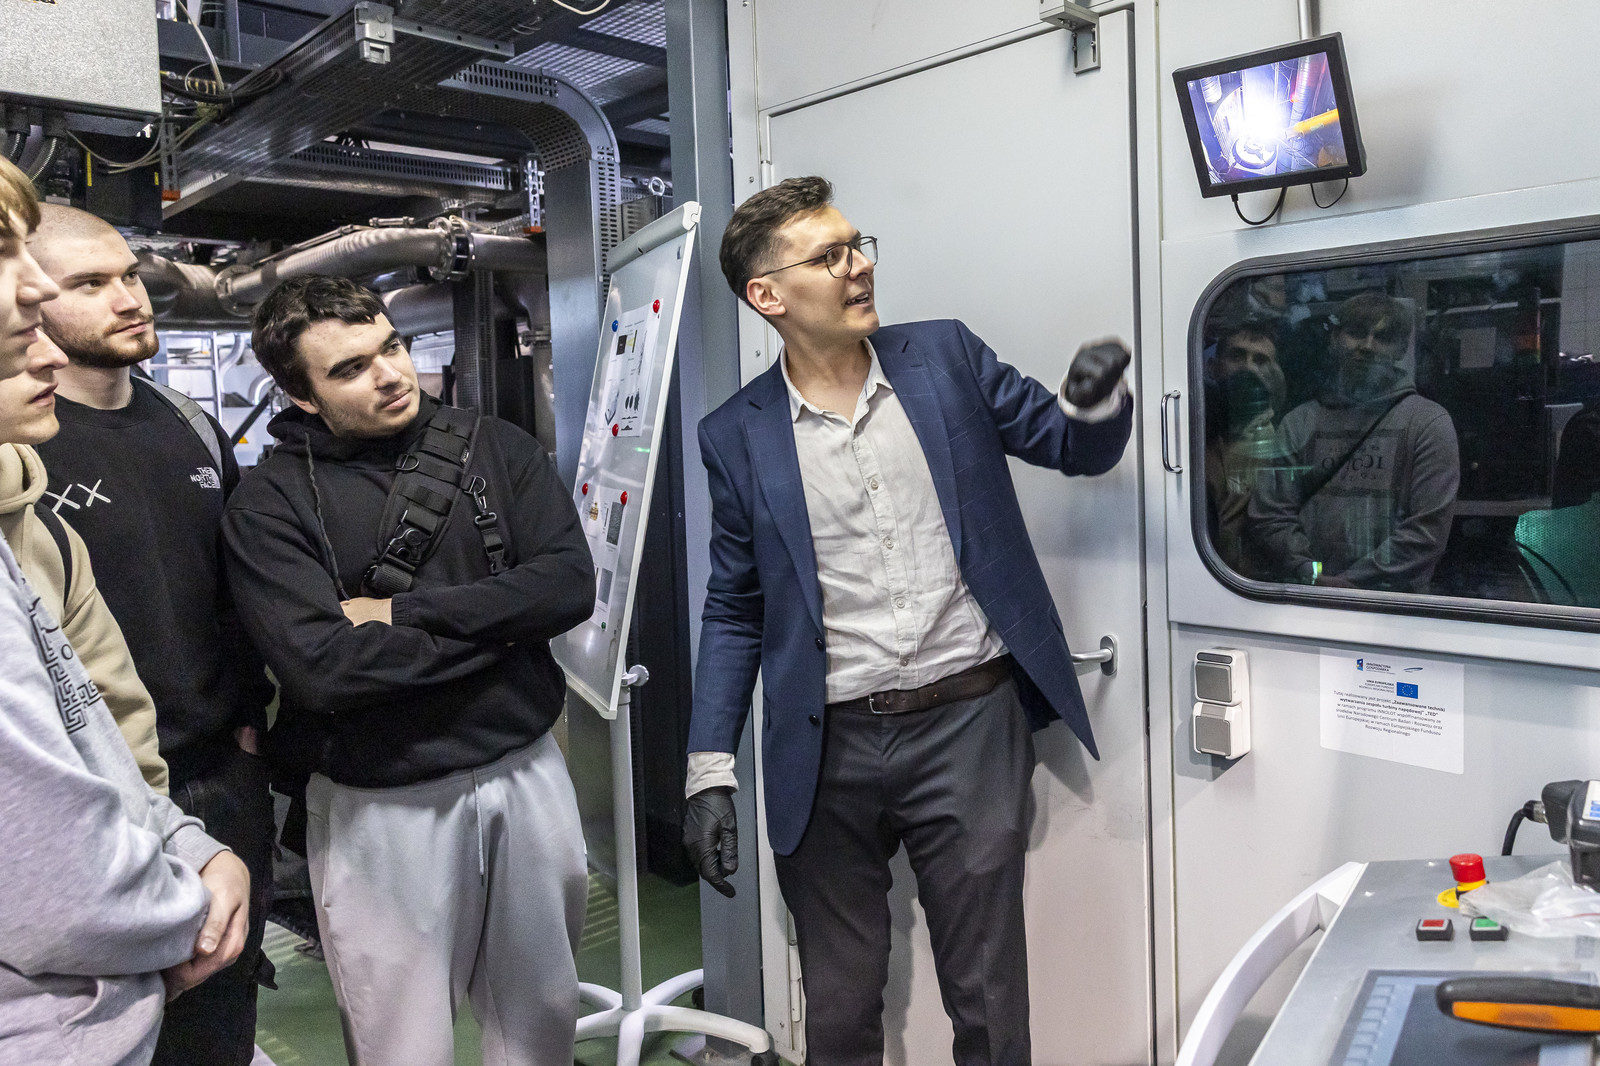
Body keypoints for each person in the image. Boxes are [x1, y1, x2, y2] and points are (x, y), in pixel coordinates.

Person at [681, 176, 1133, 1065]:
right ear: (768, 296)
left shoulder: (944, 359)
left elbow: (1068, 445)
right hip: (826, 747)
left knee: (988, 1001)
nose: (860, 267)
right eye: (830, 256)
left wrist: (1091, 404)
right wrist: (708, 770)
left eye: (859, 246)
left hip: (967, 722)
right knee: (841, 1007)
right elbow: (735, 605)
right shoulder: (735, 433)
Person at [222, 275, 593, 1066]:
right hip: (380, 806)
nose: (390, 374)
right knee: (402, 1042)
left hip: (527, 773)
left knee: (543, 1021)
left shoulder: (495, 446)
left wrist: (401, 614)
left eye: (391, 346)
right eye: (350, 368)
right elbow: (323, 669)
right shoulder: (268, 506)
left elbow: (567, 586)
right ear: (302, 396)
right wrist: (505, 631)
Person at [0, 152, 250, 1066]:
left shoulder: (188, 424)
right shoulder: (31, 445)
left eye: (131, 277)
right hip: (85, 832)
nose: (128, 298)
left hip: (203, 779)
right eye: (89, 283)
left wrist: (244, 737)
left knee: (218, 1026)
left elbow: (237, 591)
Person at [0, 330, 168, 792]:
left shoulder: (46, 535)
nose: (54, 356)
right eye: (15, 335)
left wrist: (155, 826)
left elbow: (120, 720)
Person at [1249, 292, 1460, 592]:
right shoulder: (1299, 422)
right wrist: (1312, 572)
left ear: (1401, 348)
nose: (1367, 346)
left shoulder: (1428, 423)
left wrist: (1352, 581)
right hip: (1311, 596)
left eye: (1383, 337)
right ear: (1335, 339)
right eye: (1357, 333)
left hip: (1393, 604)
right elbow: (1271, 513)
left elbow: (1426, 530)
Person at [1203, 320, 1287, 576]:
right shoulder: (1191, 436)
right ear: (1213, 368)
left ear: (1275, 377)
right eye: (1237, 356)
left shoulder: (1283, 446)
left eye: (1260, 361)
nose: (1248, 368)